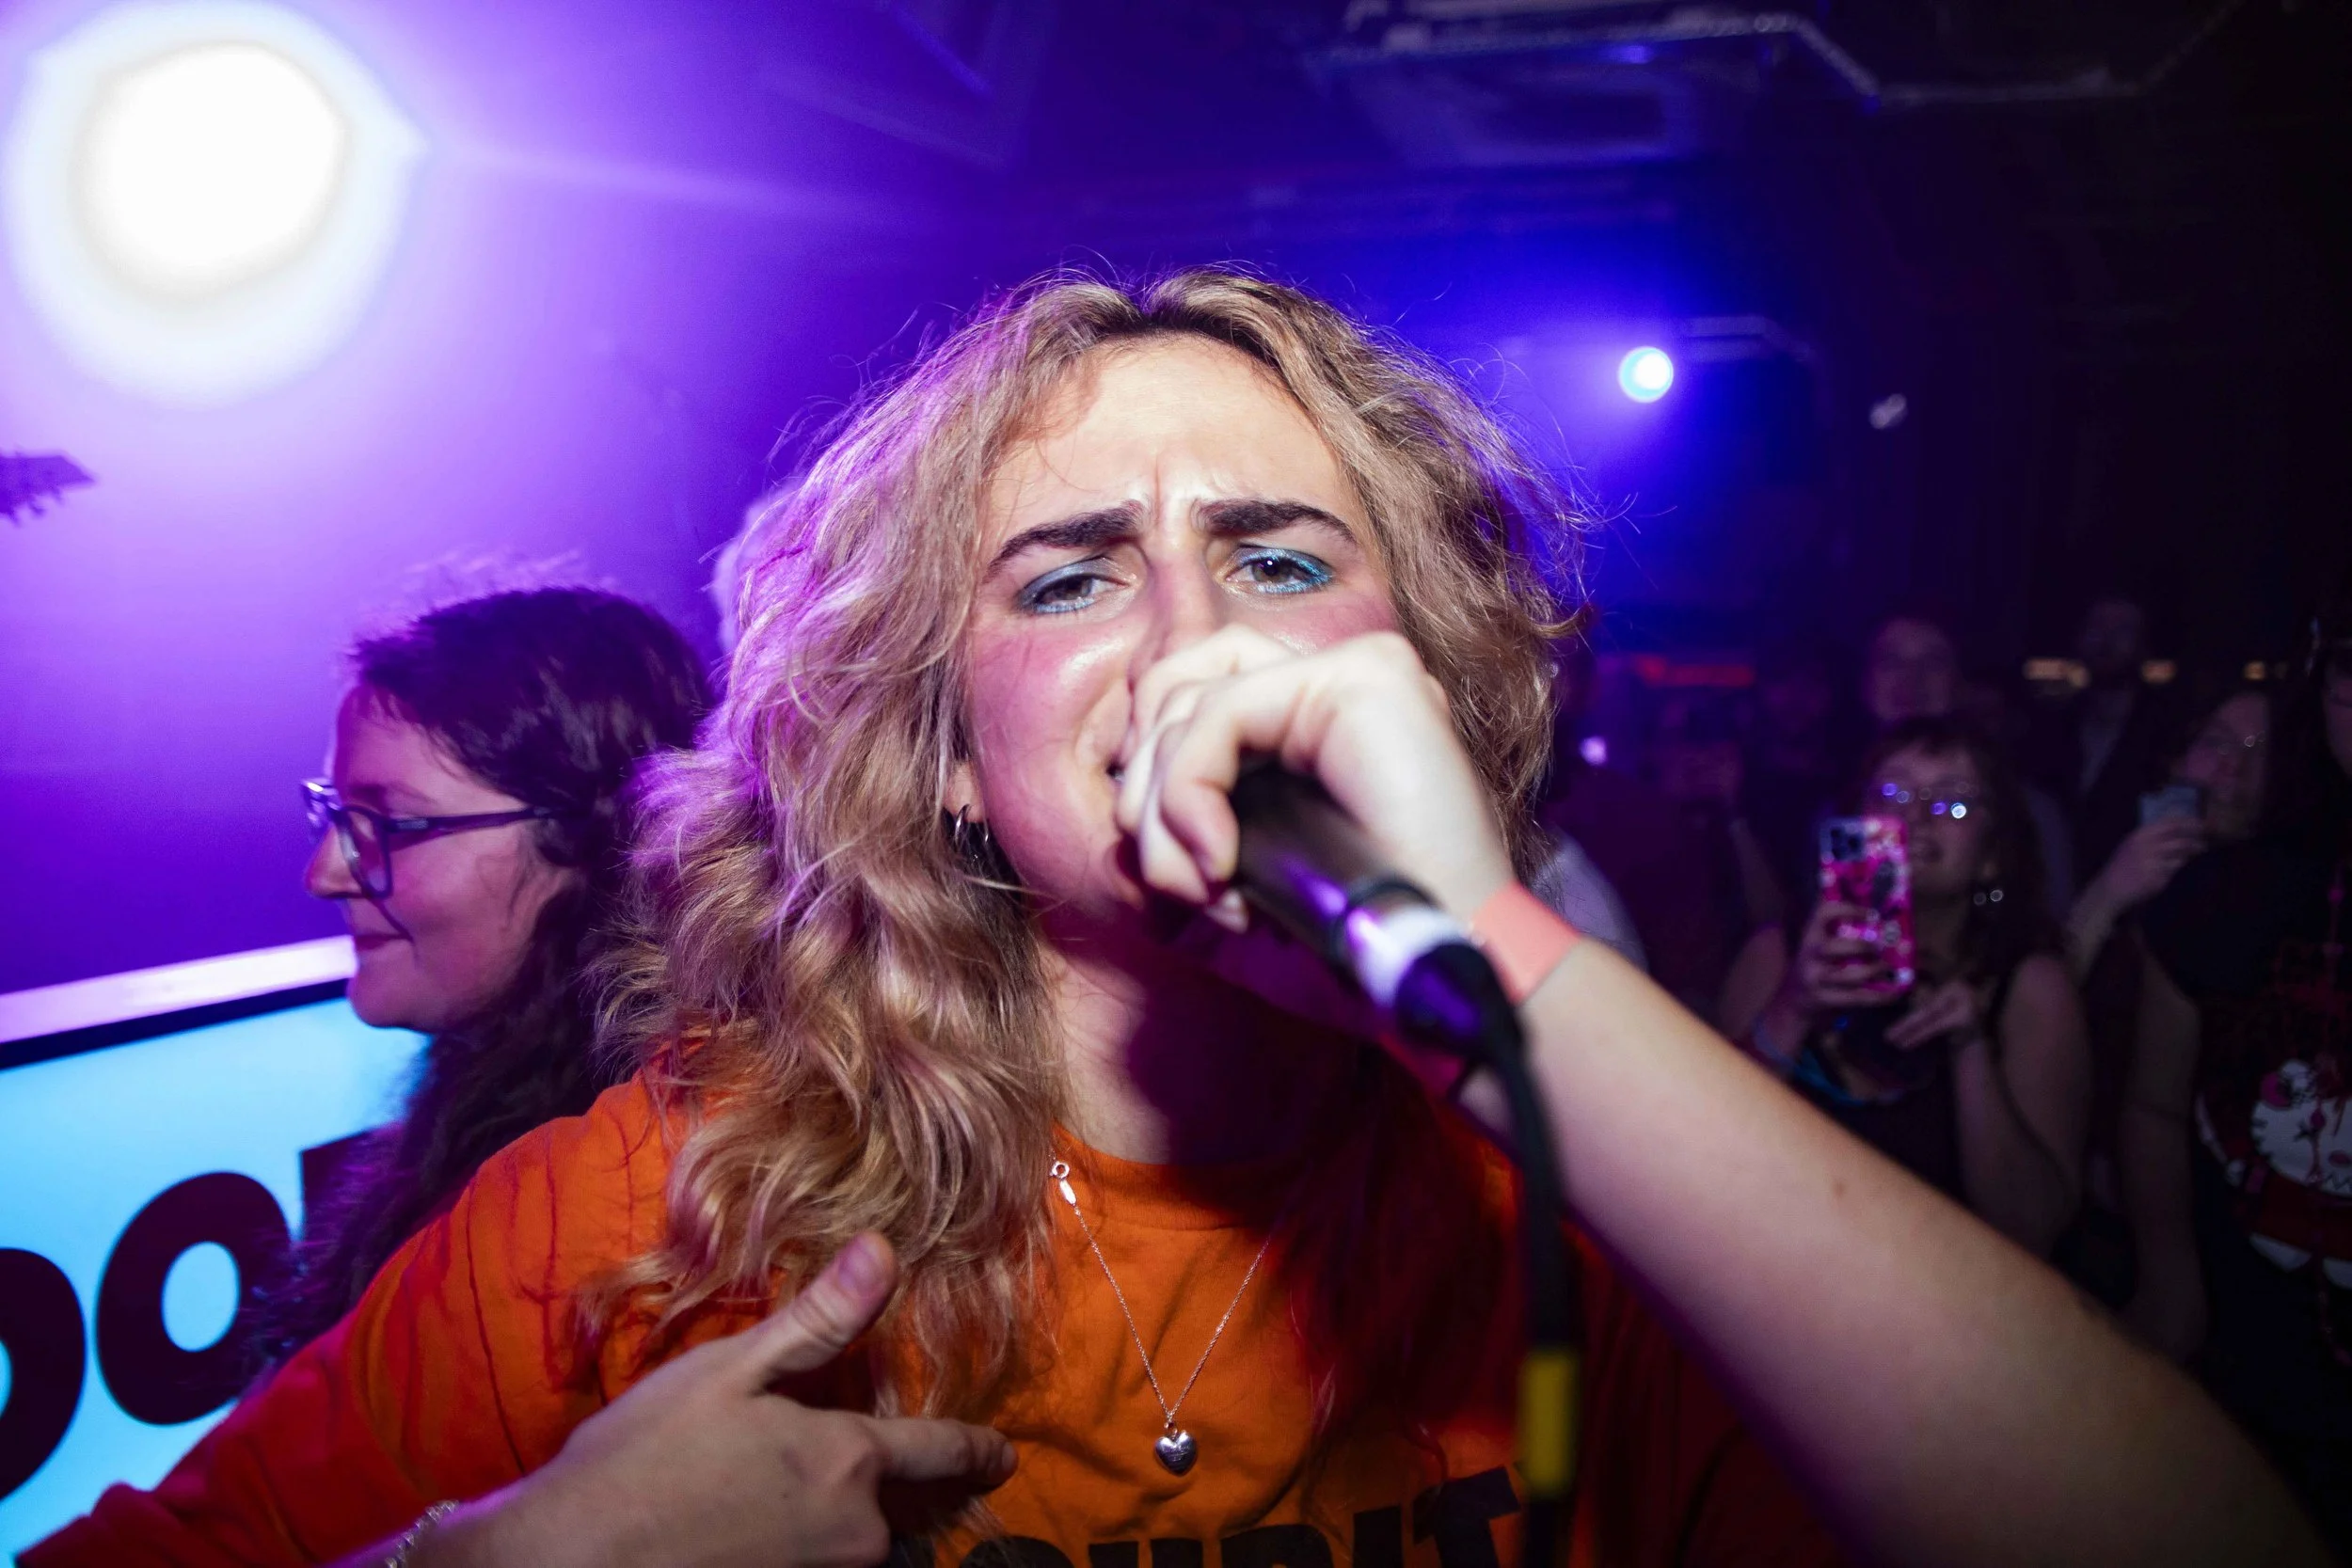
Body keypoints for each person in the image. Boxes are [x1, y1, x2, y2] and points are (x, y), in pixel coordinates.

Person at [32, 271, 2320, 1568]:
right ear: (935, 739)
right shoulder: (643, 1215)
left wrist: (1496, 965)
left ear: (1414, 677)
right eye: (1068, 572)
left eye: (1281, 553)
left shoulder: (1571, 1219)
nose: (1190, 626)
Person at [251, 587, 712, 1367]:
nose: (325, 872)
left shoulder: (621, 1204)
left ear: (589, 845)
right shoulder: (483, 1113)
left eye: (391, 823)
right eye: (335, 815)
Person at [2126, 589, 2352, 1553]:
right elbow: (2148, 1098)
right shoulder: (2232, 890)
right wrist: (2170, 1269)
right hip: (2245, 1373)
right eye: (2349, 674)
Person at [1719, 717, 2091, 1256]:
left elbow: (2033, 1227)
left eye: (1952, 804)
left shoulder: (2032, 987)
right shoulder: (1777, 956)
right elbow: (1703, 1151)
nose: (1915, 817)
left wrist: (1969, 1049)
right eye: (1892, 793)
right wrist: (1793, 1009)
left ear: (1992, 858)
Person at [2057, 675, 2271, 1304]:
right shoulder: (2126, 872)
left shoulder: (2293, 909)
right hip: (2088, 1211)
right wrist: (2108, 892)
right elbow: (2030, 1012)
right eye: (2217, 741)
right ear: (2176, 760)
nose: (2236, 763)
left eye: (2264, 748)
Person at [1862, 610, 2076, 912]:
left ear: (1962, 685)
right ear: (1865, 683)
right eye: (1891, 661)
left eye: (1934, 661)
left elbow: (2055, 932)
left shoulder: (2024, 808)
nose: (1911, 678)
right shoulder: (1835, 808)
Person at [2027, 593, 2180, 883]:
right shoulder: (2048, 731)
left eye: (2122, 630)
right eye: (2096, 628)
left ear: (2145, 644)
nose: (2105, 641)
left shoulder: (2169, 733)